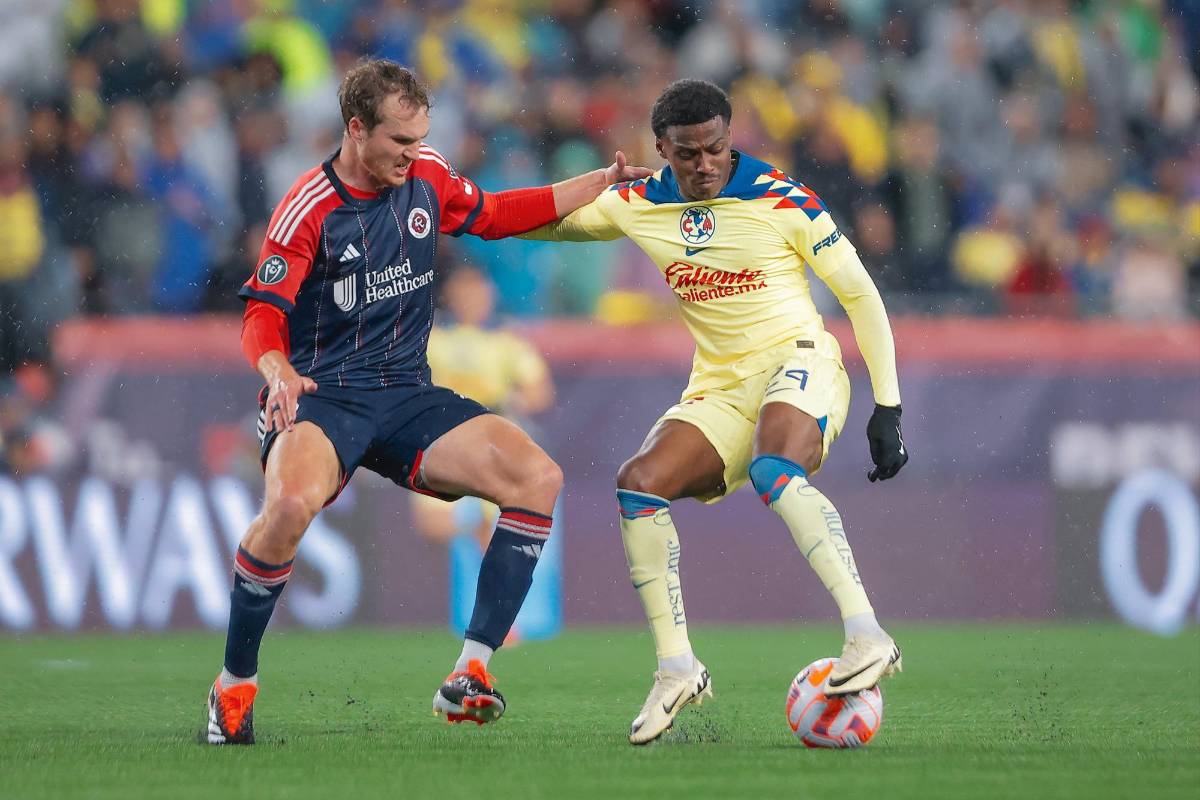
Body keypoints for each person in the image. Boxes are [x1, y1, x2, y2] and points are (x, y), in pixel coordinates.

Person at [205, 59, 650, 745]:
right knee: (288, 508)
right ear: (356, 129)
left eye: (420, 140)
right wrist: (277, 370)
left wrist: (592, 185)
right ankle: (234, 685)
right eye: (400, 141)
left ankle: (471, 672)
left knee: (537, 477)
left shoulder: (427, 175)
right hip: (326, 396)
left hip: (408, 393)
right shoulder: (308, 206)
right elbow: (263, 312)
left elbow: (495, 214)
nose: (413, 154)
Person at [526, 79, 909, 745]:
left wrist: (888, 405)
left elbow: (859, 294)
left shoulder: (781, 197)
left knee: (773, 467)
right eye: (688, 153)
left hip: (800, 360)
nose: (705, 164)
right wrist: (452, 208)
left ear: (731, 139)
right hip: (721, 388)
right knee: (638, 484)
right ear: (661, 149)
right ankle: (677, 668)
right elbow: (546, 223)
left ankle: (867, 633)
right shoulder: (639, 202)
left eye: (716, 148)